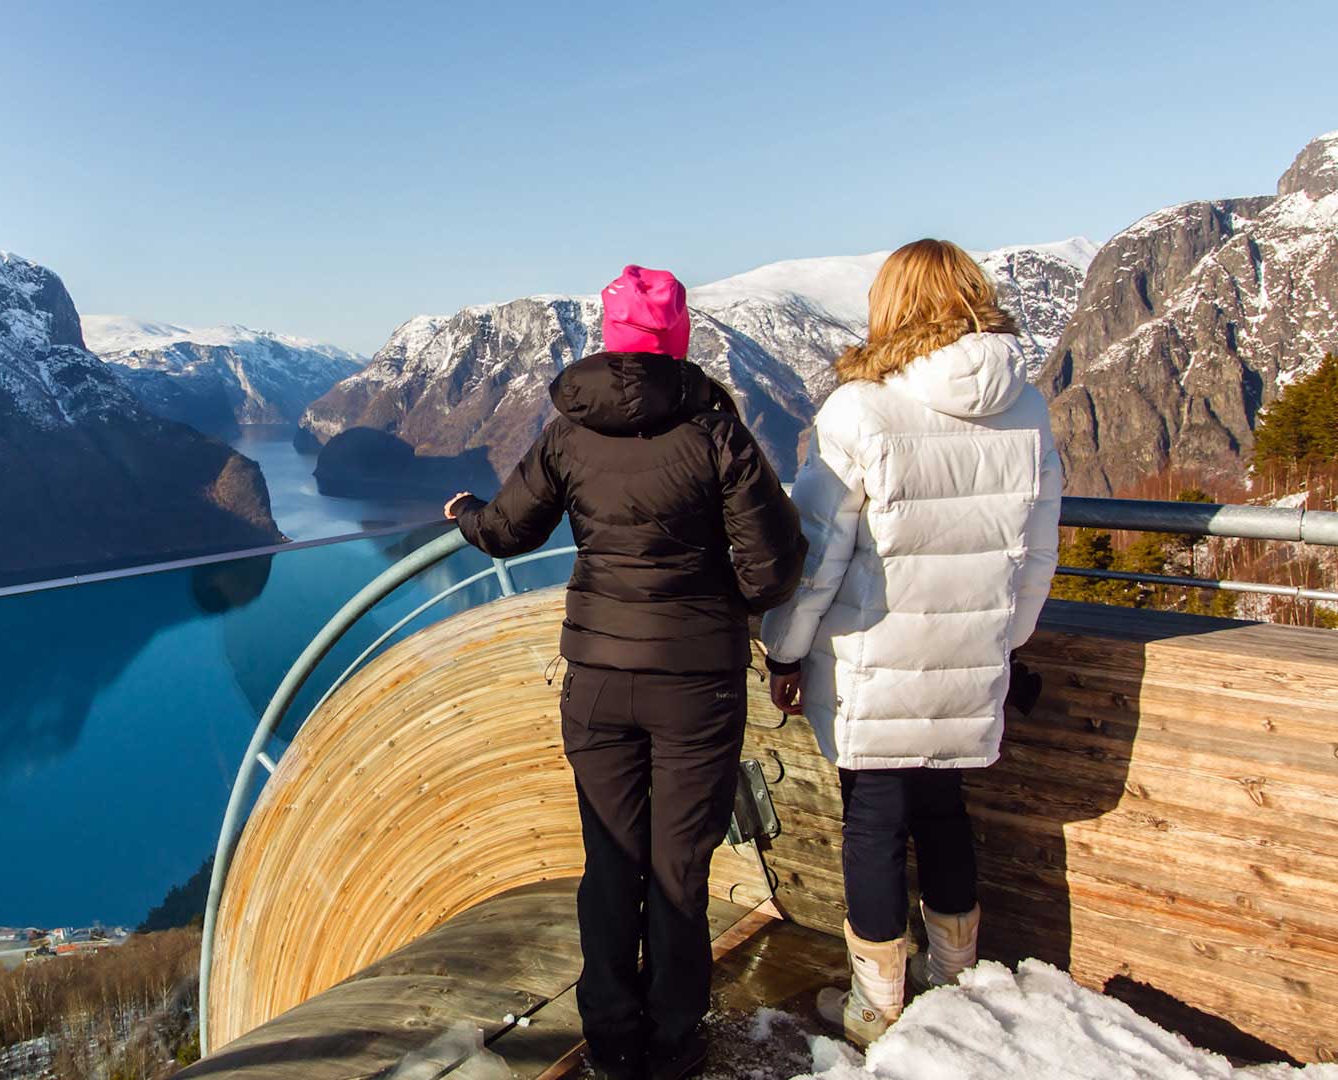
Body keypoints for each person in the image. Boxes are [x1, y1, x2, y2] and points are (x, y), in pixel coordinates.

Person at [445, 265, 807, 1080]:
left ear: (609, 341)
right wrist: (724, 592)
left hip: (600, 678)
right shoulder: (716, 428)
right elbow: (773, 569)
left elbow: (507, 531)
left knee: (611, 861)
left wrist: (464, 515)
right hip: (696, 684)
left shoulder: (570, 431)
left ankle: (610, 1042)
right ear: (678, 338)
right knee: (680, 867)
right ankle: (675, 1044)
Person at [758, 239, 1063, 1046]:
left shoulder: (861, 409)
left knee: (874, 824)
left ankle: (876, 1006)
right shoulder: (1027, 407)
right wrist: (1005, 640)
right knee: (945, 811)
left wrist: (783, 651)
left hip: (875, 660)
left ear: (889, 305)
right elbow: (1038, 548)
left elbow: (817, 557)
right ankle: (955, 978)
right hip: (973, 659)